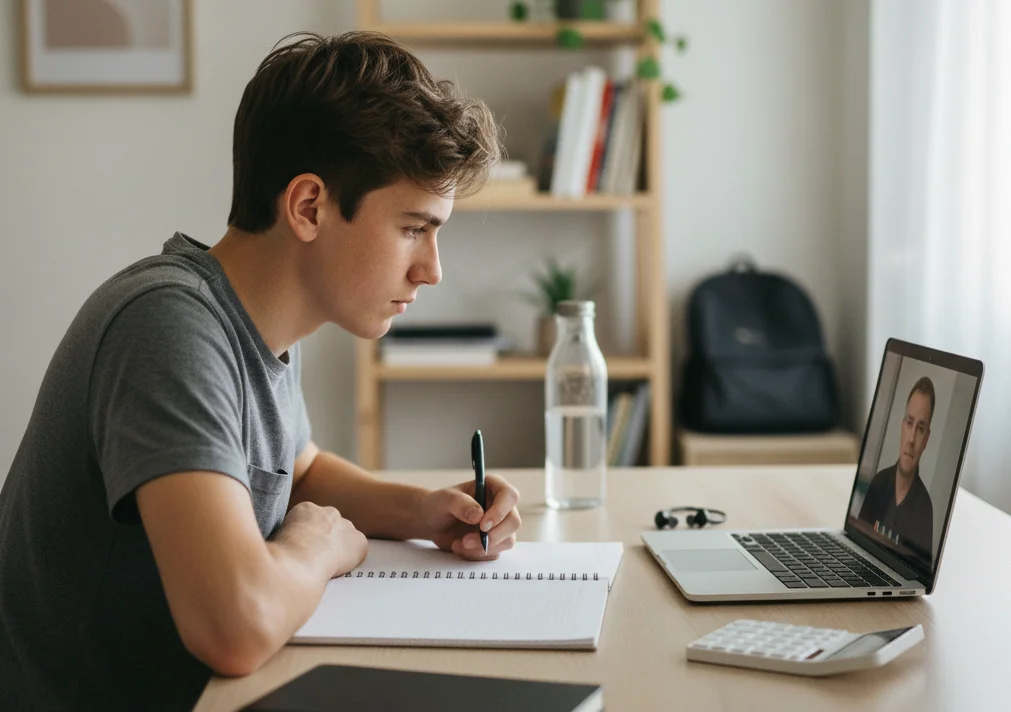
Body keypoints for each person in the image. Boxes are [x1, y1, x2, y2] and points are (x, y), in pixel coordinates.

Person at [0, 32, 515, 711]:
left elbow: (295, 471)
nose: (432, 269)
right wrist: (314, 548)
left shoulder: (254, 320)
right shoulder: (167, 329)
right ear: (308, 207)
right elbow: (234, 628)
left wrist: (420, 511)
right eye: (413, 228)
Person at [859, 376, 935, 563]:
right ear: (902, 426)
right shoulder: (878, 483)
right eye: (909, 423)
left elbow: (917, 575)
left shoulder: (925, 510)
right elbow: (858, 542)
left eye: (920, 428)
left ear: (926, 439)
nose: (911, 439)